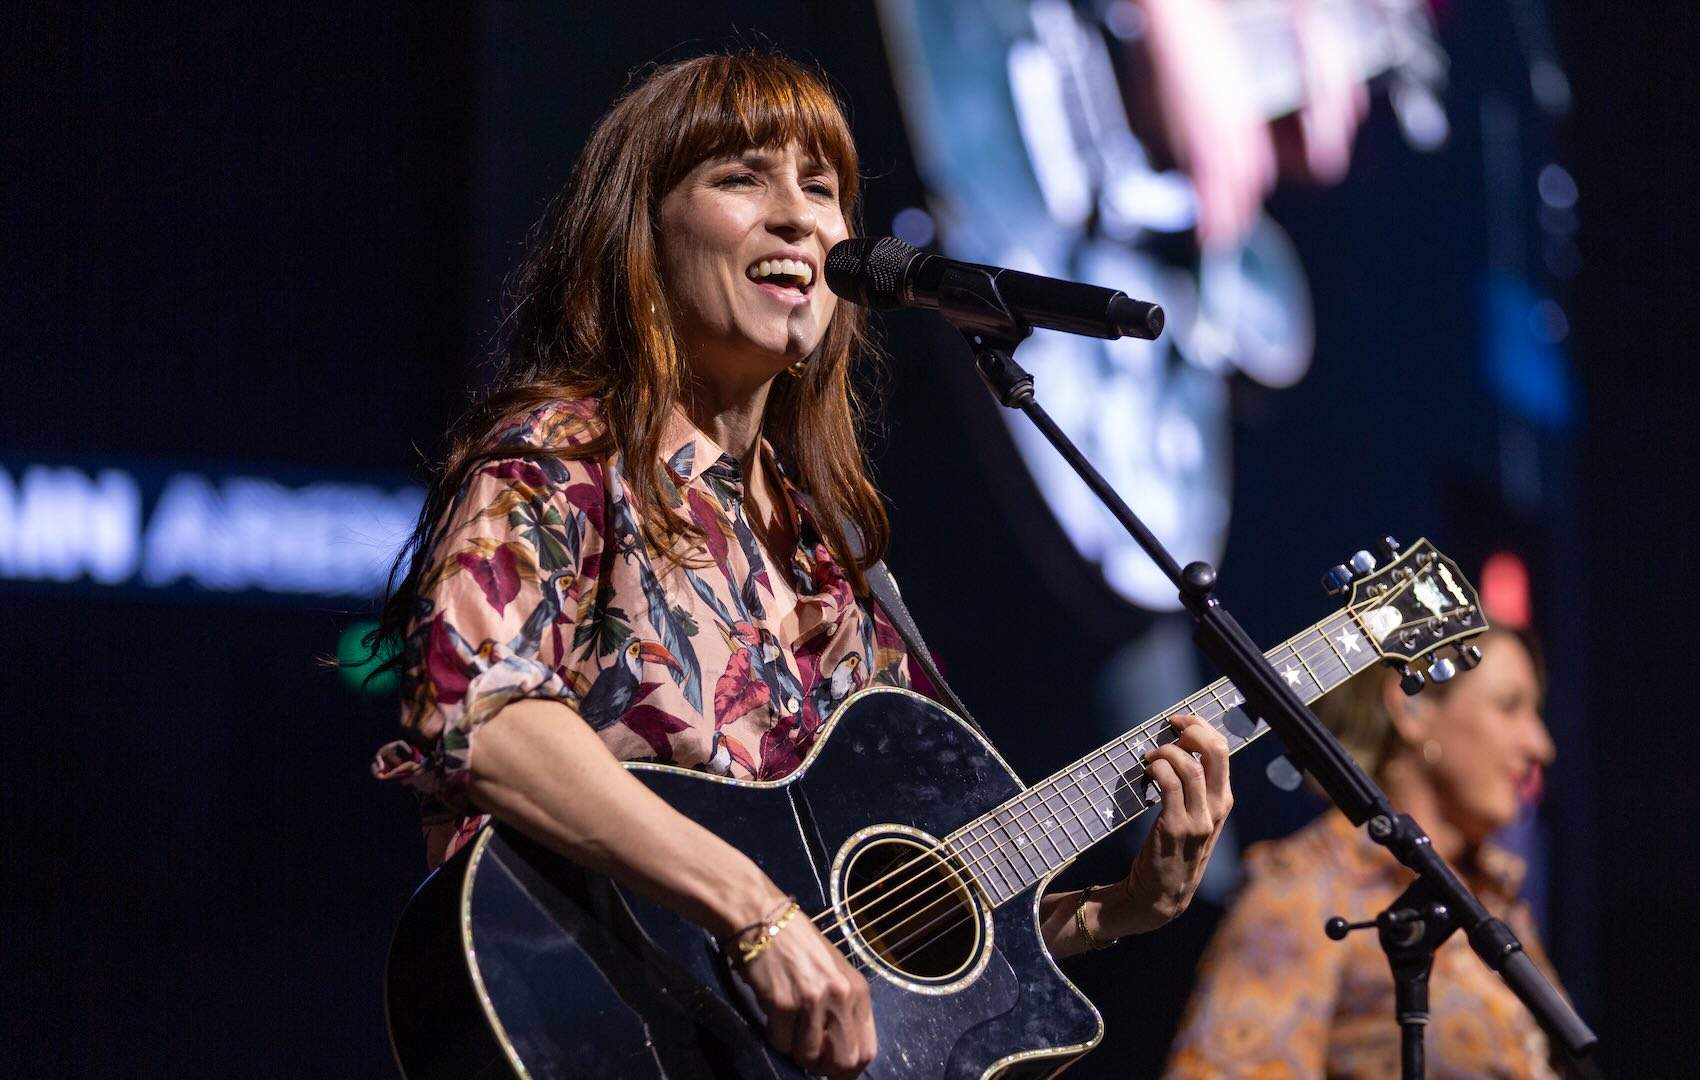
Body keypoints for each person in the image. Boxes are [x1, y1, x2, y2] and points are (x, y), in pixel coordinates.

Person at [367, 52, 1234, 1079]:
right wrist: (753, 912)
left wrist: (1115, 911)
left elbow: (888, 923)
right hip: (591, 1025)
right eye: (742, 178)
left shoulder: (826, 546)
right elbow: (478, 713)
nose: (799, 219)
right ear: (642, 230)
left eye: (821, 190)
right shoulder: (567, 452)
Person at [1164, 625, 1560, 1079]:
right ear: (1411, 707)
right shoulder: (1308, 889)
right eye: (1510, 706)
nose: (1540, 746)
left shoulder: (1495, 894)